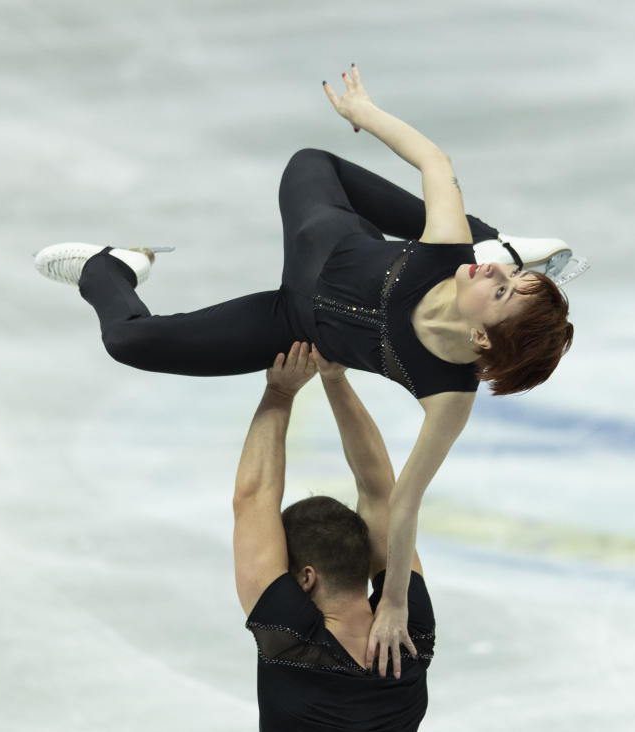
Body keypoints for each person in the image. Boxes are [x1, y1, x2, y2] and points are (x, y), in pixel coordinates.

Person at [34, 65, 577, 674]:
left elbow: (400, 505)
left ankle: (110, 266)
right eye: (507, 273)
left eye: (503, 286)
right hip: (327, 241)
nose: (493, 276)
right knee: (308, 163)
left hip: (293, 324)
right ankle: (496, 235)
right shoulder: (450, 250)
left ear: (481, 337)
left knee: (132, 343)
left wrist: (393, 601)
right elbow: (435, 162)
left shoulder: (450, 394)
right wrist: (365, 115)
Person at [233, 341, 435, 730]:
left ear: (307, 578)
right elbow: (380, 495)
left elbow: (253, 498)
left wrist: (280, 392)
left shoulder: (291, 641)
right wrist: (334, 377)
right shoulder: (410, 634)